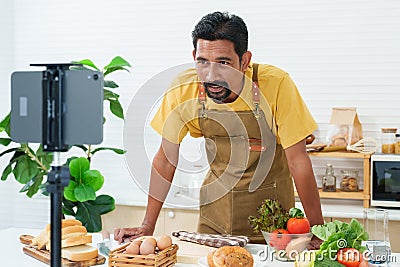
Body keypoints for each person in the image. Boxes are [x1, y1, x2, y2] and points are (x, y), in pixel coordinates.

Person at [115, 11, 324, 245]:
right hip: (214, 221)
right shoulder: (184, 89)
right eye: (202, 62)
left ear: (244, 61)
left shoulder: (276, 84)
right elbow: (165, 159)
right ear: (194, 56)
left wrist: (318, 229)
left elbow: (298, 160)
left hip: (274, 225)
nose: (211, 76)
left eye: (223, 63)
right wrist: (147, 226)